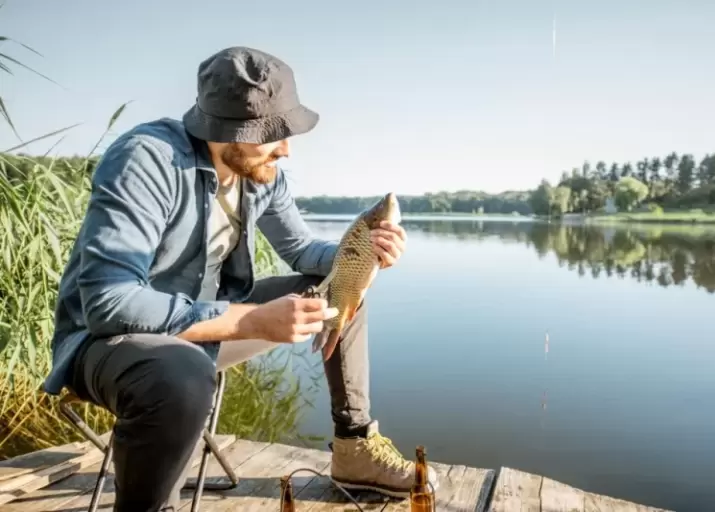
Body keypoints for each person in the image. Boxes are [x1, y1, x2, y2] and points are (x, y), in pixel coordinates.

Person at [44, 46, 437, 511]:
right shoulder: (147, 160)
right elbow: (111, 304)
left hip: (204, 329)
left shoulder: (262, 175)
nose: (287, 148)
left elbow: (303, 251)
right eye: (273, 134)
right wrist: (250, 321)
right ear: (229, 129)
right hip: (109, 344)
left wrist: (361, 254)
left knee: (336, 292)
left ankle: (353, 447)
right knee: (181, 371)